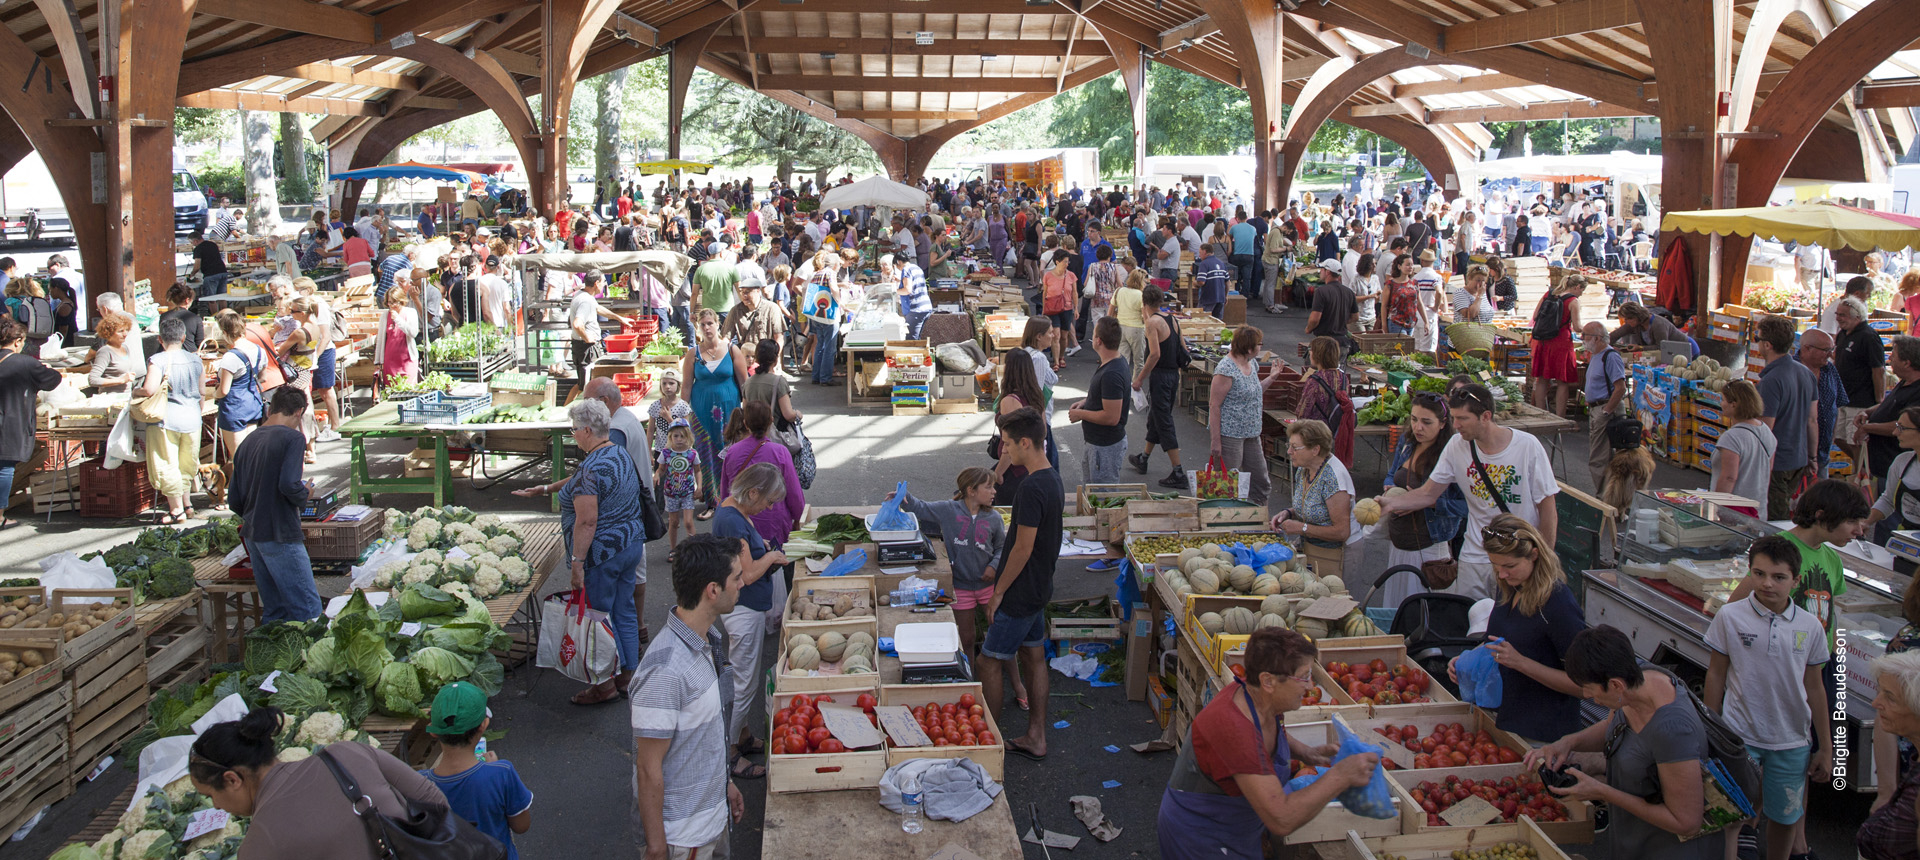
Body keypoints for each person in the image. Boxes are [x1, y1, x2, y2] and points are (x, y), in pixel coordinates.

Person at [1157, 627, 1376, 858]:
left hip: (1234, 830)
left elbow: (1271, 731)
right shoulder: (1235, 732)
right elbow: (1281, 819)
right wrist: (1340, 776)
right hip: (1202, 840)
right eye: (1303, 677)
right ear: (1268, 681)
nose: (1311, 686)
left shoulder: (1257, 697)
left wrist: (1306, 752)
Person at [1526, 625, 1718, 860]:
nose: (1588, 697)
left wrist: (1604, 792)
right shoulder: (1640, 680)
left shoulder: (1673, 731)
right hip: (1633, 842)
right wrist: (1568, 742)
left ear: (1616, 685)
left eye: (1590, 690)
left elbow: (1686, 821)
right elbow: (1614, 726)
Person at [1704, 534, 1832, 860]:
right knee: (1729, 810)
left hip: (1791, 741)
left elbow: (1815, 687)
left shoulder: (1811, 627)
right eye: (1758, 574)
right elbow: (1716, 674)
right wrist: (1709, 727)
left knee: (1785, 815)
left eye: (1778, 577)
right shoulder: (1730, 617)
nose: (1767, 584)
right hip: (1738, 736)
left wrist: (1827, 748)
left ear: (1796, 580)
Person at [189, 706, 452, 860]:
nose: (217, 807)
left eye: (211, 796)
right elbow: (436, 802)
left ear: (232, 779)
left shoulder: (259, 845)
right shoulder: (348, 753)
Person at [515, 399, 646, 705]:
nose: (572, 434)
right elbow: (579, 482)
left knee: (596, 617)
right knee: (624, 610)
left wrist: (576, 564)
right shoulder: (617, 451)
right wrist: (545, 489)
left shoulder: (590, 468)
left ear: (587, 430)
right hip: (630, 545)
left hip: (603, 555)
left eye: (574, 429)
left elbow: (587, 521)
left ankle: (603, 686)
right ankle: (628, 674)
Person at [1375, 384, 1559, 600]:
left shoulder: (1527, 446)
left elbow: (1547, 508)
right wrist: (1392, 504)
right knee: (1472, 618)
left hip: (1518, 555)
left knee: (1516, 620)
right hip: (1476, 555)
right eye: (1453, 418)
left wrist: (1544, 556)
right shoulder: (1457, 445)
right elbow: (1428, 493)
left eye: (1463, 419)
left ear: (1485, 416)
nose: (1456, 425)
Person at [632, 533, 748, 860]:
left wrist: (723, 784)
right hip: (684, 838)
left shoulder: (707, 641)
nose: (742, 584)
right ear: (713, 590)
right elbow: (647, 767)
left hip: (711, 819)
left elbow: (701, 736)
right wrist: (657, 848)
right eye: (736, 578)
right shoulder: (665, 669)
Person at [1457, 514, 1588, 743]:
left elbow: (1584, 685)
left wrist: (1521, 663)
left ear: (1534, 555)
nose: (1502, 574)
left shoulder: (1558, 605)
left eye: (1510, 566)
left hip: (1544, 736)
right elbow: (1497, 644)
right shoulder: (1511, 587)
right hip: (1505, 724)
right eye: (1495, 565)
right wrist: (1467, 661)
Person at [981, 407, 1062, 763]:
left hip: (1020, 592)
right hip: (1040, 588)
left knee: (988, 662)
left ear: (1026, 443)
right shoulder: (1052, 478)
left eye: (1009, 444)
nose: (1005, 451)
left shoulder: (1030, 487)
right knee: (1033, 658)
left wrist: (999, 592)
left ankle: (989, 740)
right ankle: (1036, 736)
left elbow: (1023, 547)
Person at [707, 461, 790, 780]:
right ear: (752, 492)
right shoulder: (732, 520)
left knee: (742, 675)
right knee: (743, 681)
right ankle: (728, 751)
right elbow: (749, 573)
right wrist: (770, 556)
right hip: (745, 610)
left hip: (746, 609)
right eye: (767, 501)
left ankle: (741, 736)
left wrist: (762, 549)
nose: (767, 508)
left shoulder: (732, 511)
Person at [892, 469, 1007, 676]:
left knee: (1001, 635)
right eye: (988, 487)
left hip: (989, 587)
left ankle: (1016, 683)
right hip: (961, 587)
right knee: (966, 638)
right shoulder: (948, 510)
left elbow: (1001, 547)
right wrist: (903, 498)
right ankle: (970, 677)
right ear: (971, 491)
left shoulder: (994, 518)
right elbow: (922, 508)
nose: (994, 491)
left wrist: (994, 566)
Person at [230, 387, 323, 622]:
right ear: (299, 412)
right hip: (280, 533)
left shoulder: (247, 441)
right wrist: (305, 493)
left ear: (271, 409)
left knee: (275, 610)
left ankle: (268, 658)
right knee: (308, 609)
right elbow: (288, 485)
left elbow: (234, 499)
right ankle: (310, 658)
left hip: (254, 535)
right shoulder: (293, 438)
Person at [419, 682, 534, 860]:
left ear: (433, 732)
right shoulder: (501, 773)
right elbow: (521, 825)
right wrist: (492, 766)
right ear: (484, 725)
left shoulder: (419, 784)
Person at [1378, 392, 1467, 608]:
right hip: (1399, 545)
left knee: (1420, 613)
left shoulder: (1452, 456)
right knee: (1397, 612)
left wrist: (1428, 501)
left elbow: (1468, 506)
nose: (1418, 427)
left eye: (1426, 422)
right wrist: (1391, 488)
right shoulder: (1408, 442)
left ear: (1443, 423)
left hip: (1427, 551)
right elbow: (1392, 473)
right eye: (1414, 419)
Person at [137, 317, 206, 523]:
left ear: (160, 339)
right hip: (192, 418)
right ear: (184, 337)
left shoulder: (158, 360)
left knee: (167, 463)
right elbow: (202, 391)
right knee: (187, 463)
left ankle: (176, 510)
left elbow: (149, 389)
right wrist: (197, 411)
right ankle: (187, 504)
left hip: (166, 420)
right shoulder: (196, 359)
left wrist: (135, 390)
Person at [1270, 419, 1355, 587]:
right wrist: (1288, 512)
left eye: (1295, 447)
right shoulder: (1304, 469)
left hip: (1337, 554)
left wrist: (1301, 528)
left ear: (1315, 449)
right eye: (1290, 445)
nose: (1289, 451)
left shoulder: (1333, 479)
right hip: (1314, 549)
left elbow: (1342, 532)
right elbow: (1313, 505)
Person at [684, 308, 746, 519]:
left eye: (710, 323)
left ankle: (732, 499)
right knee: (707, 456)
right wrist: (681, 416)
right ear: (698, 327)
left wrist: (747, 413)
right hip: (702, 414)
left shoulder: (731, 349)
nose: (707, 328)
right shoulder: (693, 354)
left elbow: (744, 383)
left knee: (730, 452)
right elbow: (685, 388)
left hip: (729, 413)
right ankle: (712, 502)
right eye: (703, 325)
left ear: (717, 324)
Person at [1755, 315, 1820, 519]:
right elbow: (1812, 420)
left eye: (1757, 338)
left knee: (1775, 518)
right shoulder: (1806, 373)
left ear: (1767, 345)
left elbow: (1765, 428)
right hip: (1798, 458)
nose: (1756, 342)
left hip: (1777, 462)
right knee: (1787, 513)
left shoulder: (1770, 381)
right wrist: (1812, 456)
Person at [1207, 326, 1276, 507]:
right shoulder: (1226, 369)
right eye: (1259, 344)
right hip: (1231, 434)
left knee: (1260, 479)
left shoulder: (1252, 363)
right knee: (1229, 483)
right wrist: (1216, 442)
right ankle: (1225, 520)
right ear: (1248, 348)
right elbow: (1214, 406)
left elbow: (1254, 392)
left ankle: (1261, 517)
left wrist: (1272, 378)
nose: (1261, 347)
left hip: (1252, 433)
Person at [0, 316, 58, 529]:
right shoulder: (25, 363)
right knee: (4, 469)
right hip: (10, 424)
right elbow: (52, 379)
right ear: (17, 341)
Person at [1130, 284, 1187, 489]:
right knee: (1155, 417)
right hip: (1173, 376)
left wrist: (1139, 379)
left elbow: (1155, 354)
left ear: (1143, 303)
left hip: (1160, 376)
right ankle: (1144, 457)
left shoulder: (1152, 323)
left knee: (1163, 421)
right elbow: (1183, 348)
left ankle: (1178, 471)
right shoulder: (1173, 319)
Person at [1068, 317, 1130, 486]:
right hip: (1097, 444)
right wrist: (1086, 401)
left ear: (1098, 341)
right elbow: (1106, 396)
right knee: (1092, 491)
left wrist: (1080, 414)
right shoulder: (1112, 362)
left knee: (1103, 499)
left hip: (1105, 447)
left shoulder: (1111, 373)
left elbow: (1111, 417)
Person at [1710, 380, 1776, 517]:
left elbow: (1729, 478)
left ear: (1734, 404)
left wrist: (1716, 509)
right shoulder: (1766, 432)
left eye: (1723, 400)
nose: (1721, 404)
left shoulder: (1732, 437)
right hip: (1758, 509)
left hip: (1735, 512)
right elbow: (1767, 471)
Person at [1861, 335, 1920, 485]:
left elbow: (1905, 425)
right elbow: (1889, 403)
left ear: (1907, 363)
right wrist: (1867, 412)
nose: (1890, 357)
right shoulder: (1905, 382)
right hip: (1882, 465)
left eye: (1894, 354)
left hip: (1896, 467)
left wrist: (1868, 427)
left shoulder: (1917, 390)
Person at [1835, 296, 1887, 465]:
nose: (1838, 318)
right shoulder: (1843, 334)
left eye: (1843, 315)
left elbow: (1879, 370)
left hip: (1860, 400)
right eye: (1837, 314)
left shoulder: (1869, 337)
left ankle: (1860, 478)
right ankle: (1864, 467)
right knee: (1838, 437)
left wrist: (1879, 401)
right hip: (1843, 398)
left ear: (1857, 316)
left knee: (1855, 441)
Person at [1581, 321, 1629, 491]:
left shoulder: (1610, 356)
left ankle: (1604, 499)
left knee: (1599, 458)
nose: (1582, 339)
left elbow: (1620, 387)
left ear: (1597, 338)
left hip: (1605, 411)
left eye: (1585, 335)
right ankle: (1608, 496)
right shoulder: (1596, 356)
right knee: (1603, 457)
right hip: (1598, 410)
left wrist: (1606, 411)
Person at [1295, 335, 1356, 467]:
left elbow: (1302, 412)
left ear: (1318, 355)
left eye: (1311, 350)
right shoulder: (1343, 377)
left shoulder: (1314, 381)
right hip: (1336, 430)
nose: (1309, 353)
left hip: (1315, 434)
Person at [1529, 275, 1585, 418]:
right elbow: (1578, 327)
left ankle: (1541, 415)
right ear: (1577, 287)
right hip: (1561, 343)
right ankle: (1560, 417)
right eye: (1582, 291)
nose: (1581, 294)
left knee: (1542, 379)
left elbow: (1535, 317)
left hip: (1543, 341)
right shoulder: (1573, 301)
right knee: (1562, 382)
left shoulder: (1549, 294)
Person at [656, 421, 703, 551]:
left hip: (687, 492)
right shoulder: (666, 453)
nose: (679, 439)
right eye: (676, 436)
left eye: (682, 436)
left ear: (688, 437)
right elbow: (661, 469)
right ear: (670, 437)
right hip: (671, 493)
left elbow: (698, 470)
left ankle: (694, 549)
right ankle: (673, 549)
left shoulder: (692, 453)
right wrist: (656, 475)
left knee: (688, 522)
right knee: (674, 522)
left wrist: (699, 487)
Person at [1612, 303, 1698, 356]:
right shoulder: (1634, 323)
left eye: (1627, 319)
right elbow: (1615, 334)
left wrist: (1640, 348)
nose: (1625, 322)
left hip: (1687, 349)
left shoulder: (1658, 324)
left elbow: (1661, 347)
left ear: (1635, 317)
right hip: (1671, 353)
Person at [1040, 251, 1081, 360]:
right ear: (1057, 262)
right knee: (1056, 335)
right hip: (1052, 308)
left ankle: (1061, 357)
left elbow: (1074, 293)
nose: (1067, 264)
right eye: (1065, 262)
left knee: (1064, 336)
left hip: (1067, 308)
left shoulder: (1071, 276)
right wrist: (1044, 309)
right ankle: (1056, 361)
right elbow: (1045, 293)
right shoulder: (1048, 276)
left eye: (1068, 262)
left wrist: (1076, 308)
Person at [377, 286, 419, 387]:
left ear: (401, 301)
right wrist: (377, 362)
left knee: (409, 389)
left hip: (407, 360)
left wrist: (398, 319)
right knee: (391, 391)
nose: (392, 306)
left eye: (395, 302)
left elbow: (413, 333)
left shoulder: (410, 313)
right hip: (390, 361)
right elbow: (380, 340)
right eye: (390, 302)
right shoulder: (384, 316)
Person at [883, 254, 933, 341]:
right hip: (926, 306)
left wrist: (893, 290)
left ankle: (915, 354)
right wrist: (900, 280)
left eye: (895, 266)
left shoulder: (906, 270)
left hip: (916, 309)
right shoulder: (916, 268)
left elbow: (907, 290)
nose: (897, 268)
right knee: (917, 338)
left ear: (898, 262)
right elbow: (914, 284)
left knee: (911, 340)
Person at [88, 312, 141, 391]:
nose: (125, 334)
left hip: (125, 397)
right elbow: (93, 380)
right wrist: (121, 380)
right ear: (109, 333)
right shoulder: (105, 352)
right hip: (111, 398)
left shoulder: (125, 348)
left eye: (126, 330)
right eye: (120, 331)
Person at [1112, 268, 1148, 372]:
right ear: (1141, 281)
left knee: (1123, 360)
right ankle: (1136, 386)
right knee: (1139, 362)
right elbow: (1144, 315)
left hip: (1121, 327)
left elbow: (1110, 311)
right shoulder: (1141, 295)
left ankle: (1123, 384)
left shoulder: (1119, 290)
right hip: (1137, 328)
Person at [1383, 253, 1419, 336]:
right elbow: (1384, 306)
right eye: (1407, 265)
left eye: (1412, 265)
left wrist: (1426, 321)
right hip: (1396, 322)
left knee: (1407, 348)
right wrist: (1384, 325)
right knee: (1401, 347)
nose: (1410, 267)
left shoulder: (1414, 283)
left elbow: (1419, 303)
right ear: (1399, 266)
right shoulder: (1390, 284)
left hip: (1411, 323)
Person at [1193, 242, 1230, 319]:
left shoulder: (1204, 264)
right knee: (1217, 323)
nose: (1199, 255)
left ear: (1205, 252)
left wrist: (1195, 283)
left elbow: (1201, 282)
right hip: (1220, 298)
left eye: (1200, 253)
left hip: (1208, 298)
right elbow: (1227, 281)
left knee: (1202, 319)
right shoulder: (1221, 263)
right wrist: (1226, 295)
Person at [189, 228, 230, 297]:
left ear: (195, 241)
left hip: (211, 274)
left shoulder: (198, 249)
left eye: (191, 242)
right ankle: (223, 308)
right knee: (222, 296)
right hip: (222, 271)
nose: (192, 244)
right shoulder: (212, 244)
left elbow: (197, 266)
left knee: (211, 299)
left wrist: (192, 274)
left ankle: (213, 308)